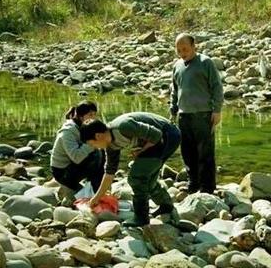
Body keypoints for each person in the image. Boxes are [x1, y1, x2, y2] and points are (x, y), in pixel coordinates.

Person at [80, 112, 181, 227]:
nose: (94, 147)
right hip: (157, 141)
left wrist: (141, 151)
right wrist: (96, 198)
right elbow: (109, 173)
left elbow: (156, 135)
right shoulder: (111, 146)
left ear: (98, 136)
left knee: (136, 177)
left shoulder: (123, 127)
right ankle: (166, 206)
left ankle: (141, 218)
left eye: (92, 144)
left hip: (168, 135)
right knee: (146, 176)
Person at [170, 33, 224, 194]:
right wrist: (173, 109)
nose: (182, 53)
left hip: (203, 114)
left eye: (185, 49)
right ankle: (193, 183)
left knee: (205, 152)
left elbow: (217, 87)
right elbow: (174, 90)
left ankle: (208, 187)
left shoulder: (205, 62)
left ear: (194, 46)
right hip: (184, 115)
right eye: (178, 50)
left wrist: (217, 110)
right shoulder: (177, 66)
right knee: (187, 152)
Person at [50, 100, 105, 202]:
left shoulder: (85, 127)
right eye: (90, 115)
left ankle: (97, 189)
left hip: (73, 166)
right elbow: (76, 157)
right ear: (80, 116)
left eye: (94, 114)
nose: (93, 118)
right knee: (96, 155)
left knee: (100, 153)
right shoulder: (68, 132)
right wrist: (91, 144)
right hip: (62, 172)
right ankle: (93, 190)